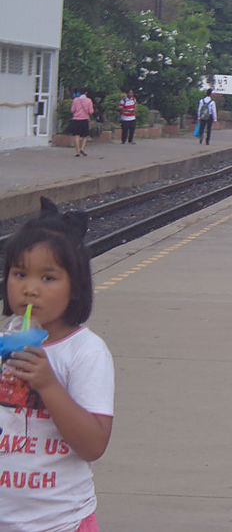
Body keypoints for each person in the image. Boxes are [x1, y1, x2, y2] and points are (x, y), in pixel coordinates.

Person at [1, 197, 114, 530]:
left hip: (60, 521)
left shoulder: (85, 352)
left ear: (75, 288)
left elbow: (93, 445)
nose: (29, 289)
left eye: (48, 278)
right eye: (19, 274)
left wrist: (48, 385)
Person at [69, 89, 94, 157]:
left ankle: (77, 152)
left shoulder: (75, 100)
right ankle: (82, 148)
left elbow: (72, 110)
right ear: (86, 93)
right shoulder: (89, 100)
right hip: (85, 119)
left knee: (77, 135)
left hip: (76, 120)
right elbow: (91, 111)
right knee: (85, 136)